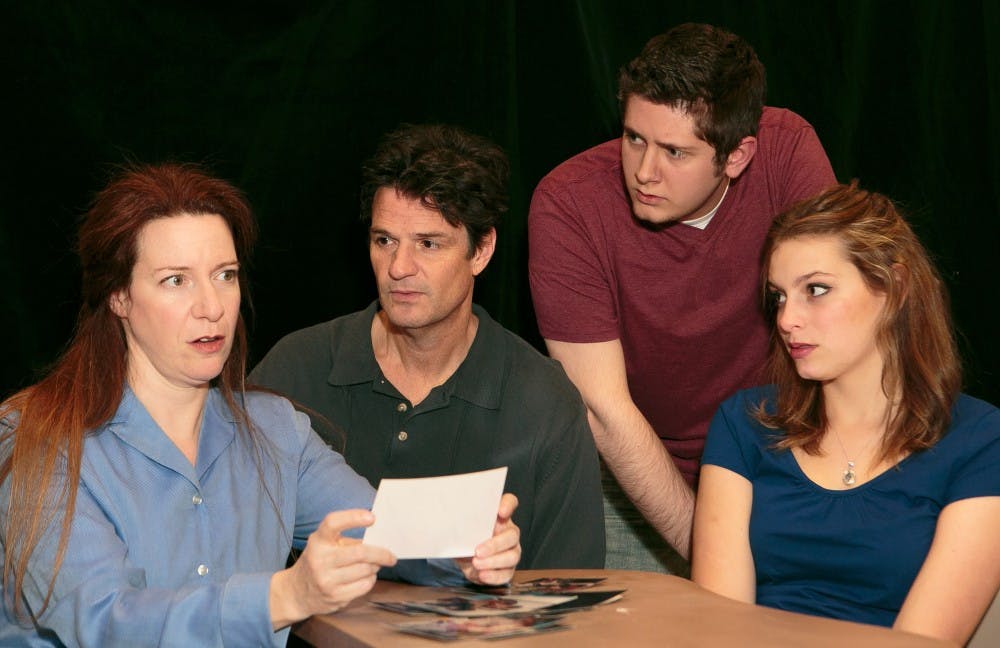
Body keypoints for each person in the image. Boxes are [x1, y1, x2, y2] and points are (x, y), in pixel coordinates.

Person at [0, 163, 522, 647]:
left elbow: (381, 529)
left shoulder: (275, 430)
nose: (211, 307)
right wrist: (285, 596)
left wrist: (465, 550)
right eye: (175, 281)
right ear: (118, 296)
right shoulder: (35, 441)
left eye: (224, 275)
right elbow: (106, 621)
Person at [528, 22, 836, 572]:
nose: (644, 172)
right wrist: (713, 555)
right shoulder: (568, 204)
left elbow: (841, 320)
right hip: (634, 477)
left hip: (781, 456)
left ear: (737, 156)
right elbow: (604, 411)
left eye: (675, 151)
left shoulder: (786, 150)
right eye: (634, 138)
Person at [250, 123, 605, 570]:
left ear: (481, 251)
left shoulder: (543, 401)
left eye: (428, 244)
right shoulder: (294, 371)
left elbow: (569, 596)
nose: (399, 267)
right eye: (385, 241)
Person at [692, 183, 1000, 644]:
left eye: (816, 290)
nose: (786, 319)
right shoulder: (744, 424)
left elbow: (922, 642)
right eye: (778, 296)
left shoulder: (980, 440)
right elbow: (720, 631)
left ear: (894, 288)